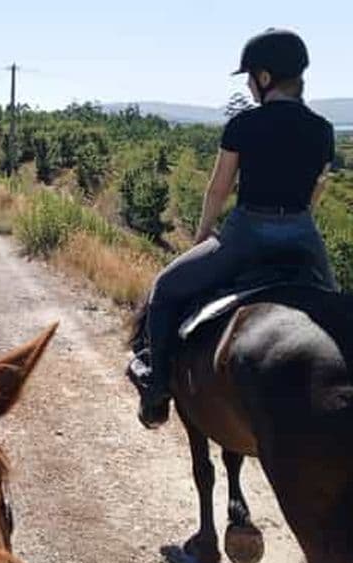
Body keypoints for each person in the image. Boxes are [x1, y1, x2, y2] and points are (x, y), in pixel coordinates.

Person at [127, 28, 338, 425]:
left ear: (263, 78)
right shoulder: (323, 130)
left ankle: (156, 387)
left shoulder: (244, 125)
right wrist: (297, 222)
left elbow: (219, 188)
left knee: (165, 290)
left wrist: (203, 235)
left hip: (247, 234)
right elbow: (315, 193)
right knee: (338, 307)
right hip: (302, 237)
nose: (248, 84)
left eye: (249, 77)